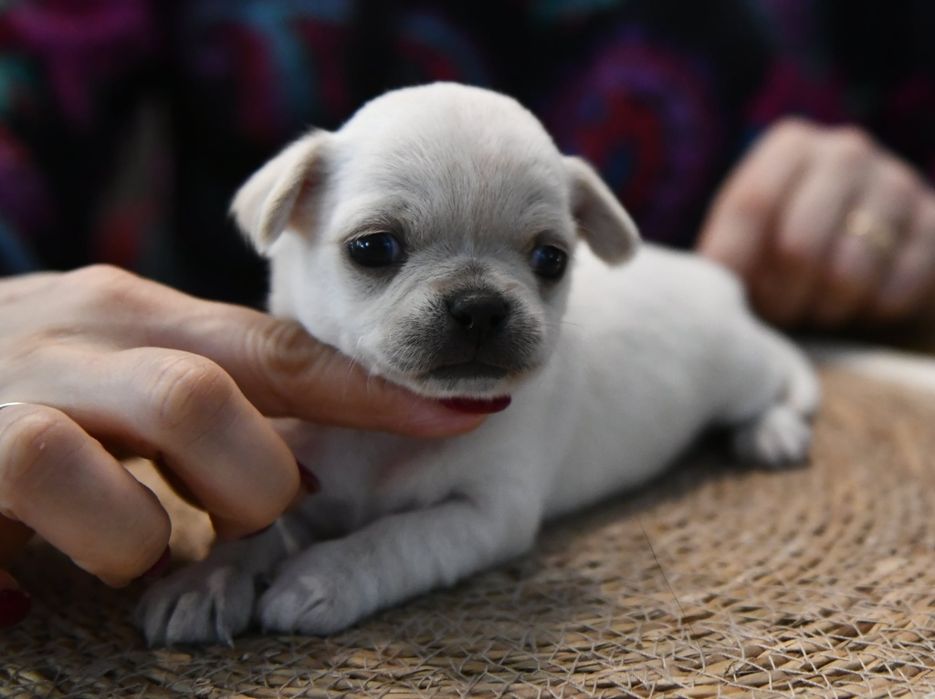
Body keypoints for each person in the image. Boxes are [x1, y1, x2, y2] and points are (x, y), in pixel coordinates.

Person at [1, 0, 933, 628]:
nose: (481, 311)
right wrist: (243, 554)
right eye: (378, 250)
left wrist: (352, 572)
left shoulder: (652, 293)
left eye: (542, 260)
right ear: (289, 217)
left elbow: (496, 513)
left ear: (583, 225)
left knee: (742, 356)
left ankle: (778, 382)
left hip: (740, 301)